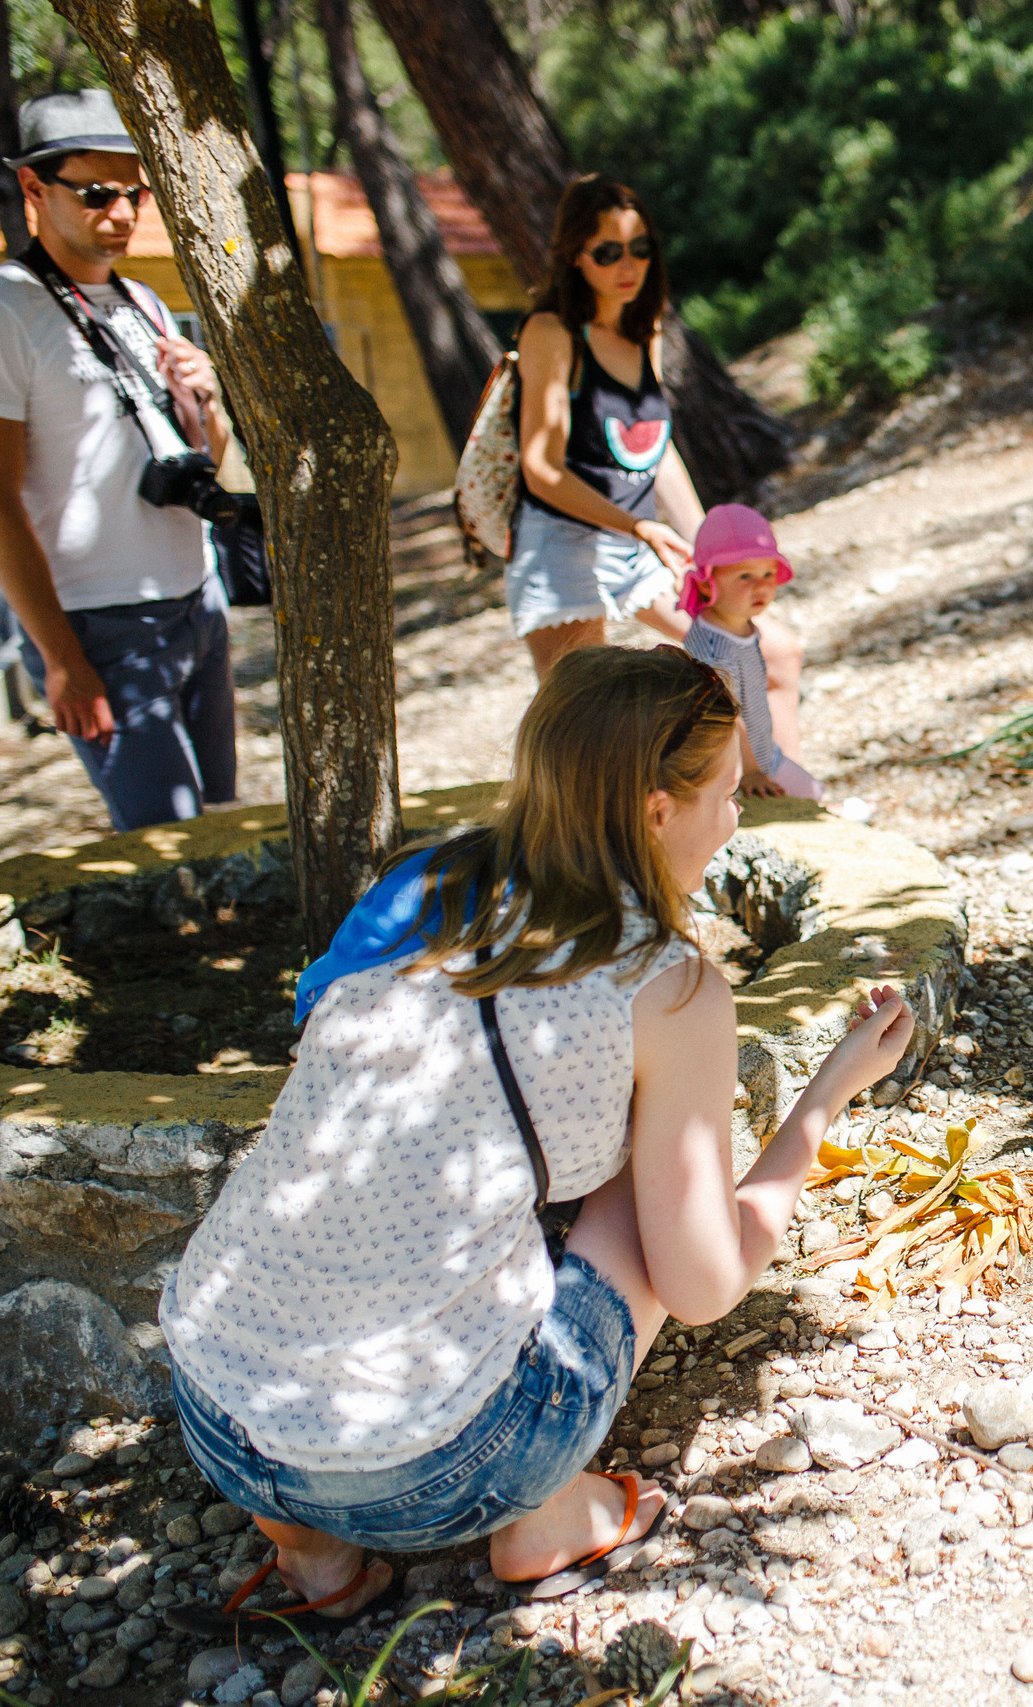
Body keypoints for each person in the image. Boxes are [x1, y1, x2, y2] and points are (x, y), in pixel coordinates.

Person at [158, 646, 914, 1624]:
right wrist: (825, 1096)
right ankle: (546, 1517)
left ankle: (313, 1555)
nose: (736, 819)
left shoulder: (430, 883)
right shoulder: (667, 986)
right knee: (644, 1185)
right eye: (728, 795)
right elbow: (703, 1285)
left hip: (215, 1411)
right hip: (430, 1471)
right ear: (656, 810)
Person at [0, 90, 236, 830]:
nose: (121, 214)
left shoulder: (141, 300)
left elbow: (202, 460)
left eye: (134, 194)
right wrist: (60, 657)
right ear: (33, 188)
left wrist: (207, 401)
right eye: (96, 194)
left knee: (222, 831)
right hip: (99, 623)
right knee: (171, 842)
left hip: (197, 600)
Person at [508, 176, 800, 726]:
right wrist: (640, 527)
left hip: (639, 545)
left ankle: (771, 777)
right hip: (561, 545)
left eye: (640, 248)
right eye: (608, 252)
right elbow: (542, 468)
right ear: (574, 255)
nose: (629, 265)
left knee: (771, 657)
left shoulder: (646, 327)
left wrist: (708, 546)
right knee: (582, 724)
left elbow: (652, 447)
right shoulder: (551, 332)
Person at [681, 504, 817, 800]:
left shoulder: (736, 623)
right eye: (745, 576)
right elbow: (727, 715)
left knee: (812, 792)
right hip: (733, 766)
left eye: (768, 573)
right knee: (807, 796)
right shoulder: (713, 650)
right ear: (706, 585)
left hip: (764, 751)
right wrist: (750, 771)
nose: (761, 586)